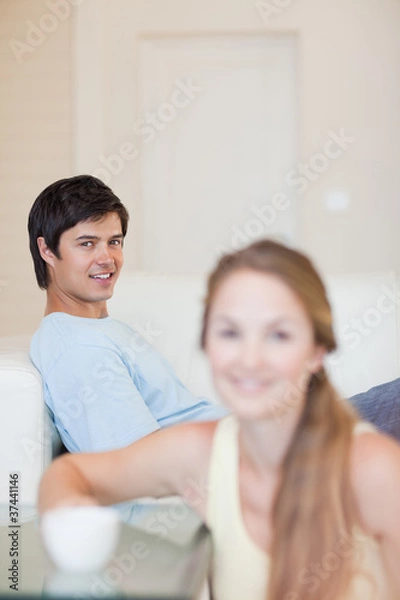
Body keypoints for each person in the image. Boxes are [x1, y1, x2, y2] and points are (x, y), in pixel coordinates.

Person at [39, 239, 400, 600]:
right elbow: (69, 474)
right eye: (230, 333)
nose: (250, 359)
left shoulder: (375, 471)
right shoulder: (198, 453)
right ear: (207, 345)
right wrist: (76, 532)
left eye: (278, 335)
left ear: (317, 351)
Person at [28, 175, 226, 455]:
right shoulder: (81, 350)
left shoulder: (95, 329)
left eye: (114, 242)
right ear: (46, 249)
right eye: (87, 243)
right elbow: (141, 471)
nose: (107, 258)